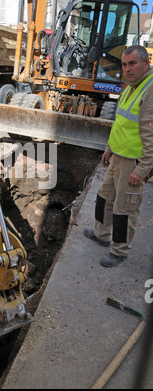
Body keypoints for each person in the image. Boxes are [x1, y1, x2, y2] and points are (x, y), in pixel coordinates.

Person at [84, 45, 153, 267]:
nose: (127, 69)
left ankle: (120, 251)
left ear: (146, 63)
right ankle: (101, 234)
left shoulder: (150, 90)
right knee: (105, 198)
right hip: (117, 156)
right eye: (124, 64)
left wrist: (142, 170)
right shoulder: (132, 86)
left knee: (124, 208)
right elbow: (121, 123)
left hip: (132, 162)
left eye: (132, 63)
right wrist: (109, 149)